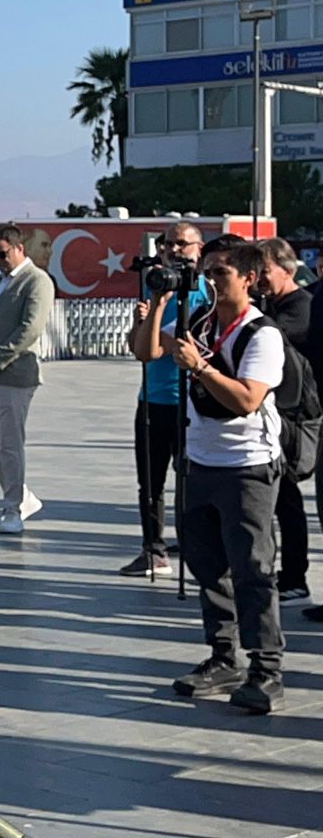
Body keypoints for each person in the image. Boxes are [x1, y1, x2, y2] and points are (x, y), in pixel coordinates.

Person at [140, 241, 287, 715]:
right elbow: (146, 350)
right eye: (206, 272)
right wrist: (159, 301)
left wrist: (200, 367)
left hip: (247, 466)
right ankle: (224, 658)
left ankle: (266, 669)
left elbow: (247, 400)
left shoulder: (261, 334)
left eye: (220, 273)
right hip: (199, 461)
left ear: (248, 278)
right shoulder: (199, 322)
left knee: (252, 569)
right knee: (208, 567)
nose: (210, 281)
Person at [124, 220, 209, 579]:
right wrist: (140, 324)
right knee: (150, 482)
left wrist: (157, 336)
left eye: (182, 244)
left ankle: (197, 546)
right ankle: (153, 550)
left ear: (198, 249)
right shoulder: (155, 286)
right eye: (168, 245)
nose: (174, 251)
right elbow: (138, 348)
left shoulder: (207, 292)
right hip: (153, 398)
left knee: (191, 480)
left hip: (193, 401)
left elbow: (192, 344)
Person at [0, 224, 57, 534]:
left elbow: (30, 328)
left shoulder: (37, 281)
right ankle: (22, 494)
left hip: (16, 373)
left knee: (10, 442)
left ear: (19, 248)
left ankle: (13, 507)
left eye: (3, 254)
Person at [254, 238, 317, 605]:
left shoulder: (299, 307)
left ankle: (295, 577)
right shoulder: (271, 304)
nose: (258, 279)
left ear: (287, 269)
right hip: (276, 415)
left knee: (288, 499)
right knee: (278, 499)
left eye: (264, 271)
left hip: (295, 418)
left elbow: (266, 337)